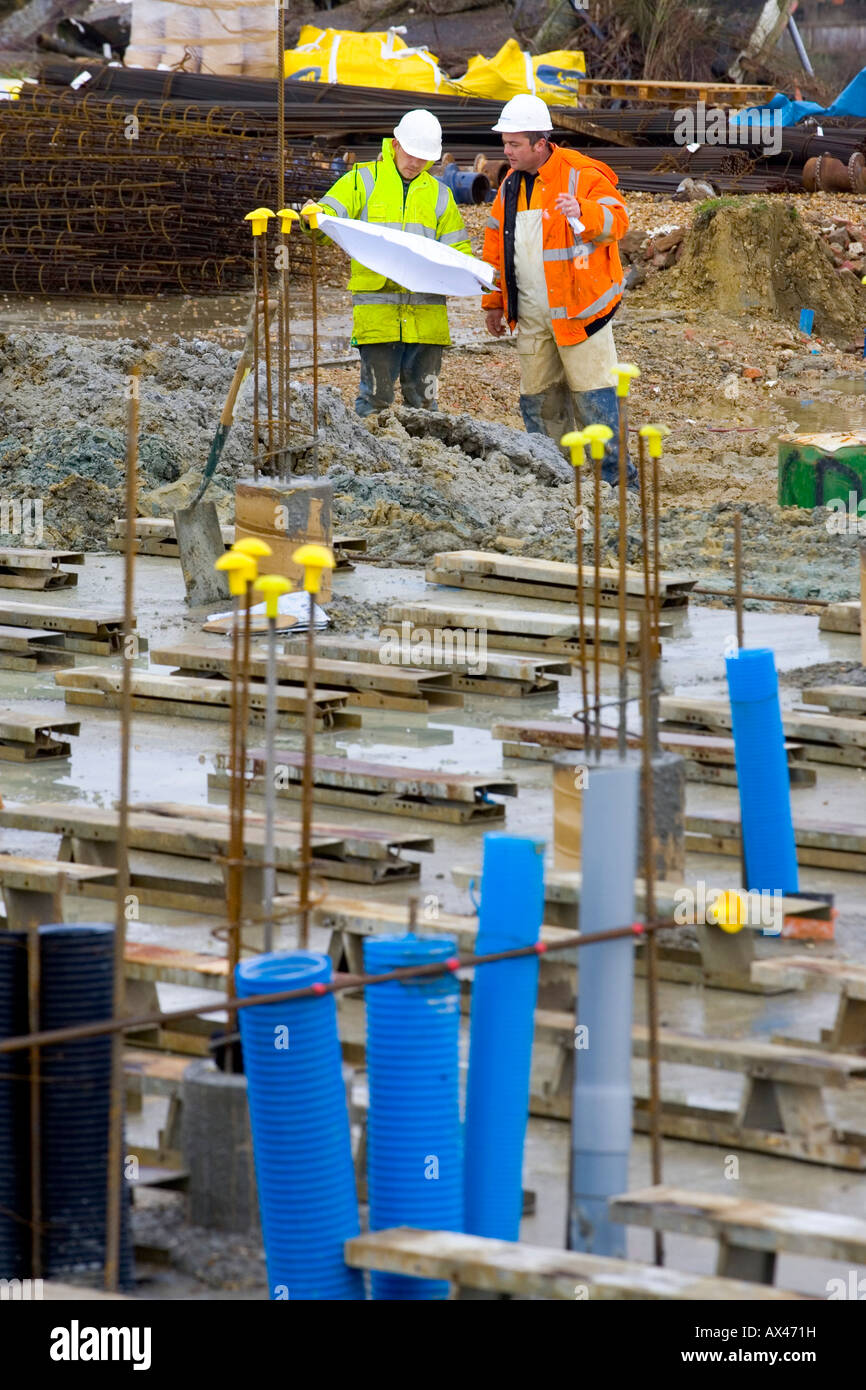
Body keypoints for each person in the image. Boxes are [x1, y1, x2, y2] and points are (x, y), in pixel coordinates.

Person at [481, 93, 635, 485]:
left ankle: (618, 485)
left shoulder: (580, 174)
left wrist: (582, 211)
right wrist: (493, 302)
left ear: (540, 143)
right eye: (504, 143)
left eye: (514, 144)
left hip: (583, 314)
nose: (506, 151)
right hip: (533, 315)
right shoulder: (510, 187)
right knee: (539, 401)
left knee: (595, 402)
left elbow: (617, 220)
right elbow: (496, 245)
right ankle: (554, 480)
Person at [319, 109, 472, 417]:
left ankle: (429, 462)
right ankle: (374, 462)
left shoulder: (441, 195)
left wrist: (470, 273)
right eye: (412, 154)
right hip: (379, 319)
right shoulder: (361, 181)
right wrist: (314, 217)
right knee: (375, 402)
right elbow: (326, 218)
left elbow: (459, 252)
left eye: (423, 157)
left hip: (427, 323)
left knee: (426, 406)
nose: (416, 163)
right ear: (396, 144)